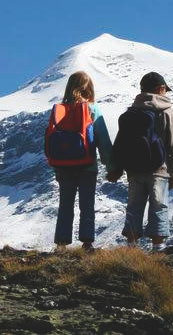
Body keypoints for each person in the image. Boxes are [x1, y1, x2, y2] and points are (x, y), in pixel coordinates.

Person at [110, 71, 173, 251]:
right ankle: (158, 247)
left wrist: (117, 168)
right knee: (159, 206)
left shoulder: (131, 112)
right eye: (165, 90)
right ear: (160, 89)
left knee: (134, 206)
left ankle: (132, 246)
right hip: (159, 169)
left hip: (134, 170)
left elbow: (120, 142)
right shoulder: (167, 113)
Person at [53, 71, 115, 252]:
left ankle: (61, 244)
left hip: (63, 166)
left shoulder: (59, 110)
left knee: (65, 204)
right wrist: (111, 166)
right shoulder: (92, 109)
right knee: (87, 204)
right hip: (87, 165)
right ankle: (87, 243)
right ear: (89, 88)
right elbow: (103, 140)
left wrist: (55, 164)